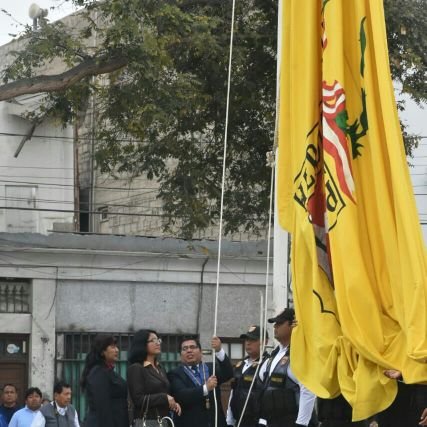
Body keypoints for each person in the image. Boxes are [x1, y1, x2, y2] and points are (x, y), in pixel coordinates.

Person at [258, 308, 317, 427]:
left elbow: (308, 390)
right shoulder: (273, 356)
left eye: (279, 323)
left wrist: (301, 423)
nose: (275, 326)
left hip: (294, 421)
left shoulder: (300, 354)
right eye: (274, 323)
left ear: (293, 325)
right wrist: (262, 420)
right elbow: (264, 389)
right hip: (273, 422)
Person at [168, 336, 234, 427]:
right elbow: (182, 395)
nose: (189, 350)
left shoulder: (212, 368)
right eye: (185, 348)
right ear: (180, 355)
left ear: (201, 352)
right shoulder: (175, 374)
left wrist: (219, 351)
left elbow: (228, 373)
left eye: (193, 347)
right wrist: (206, 388)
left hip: (216, 423)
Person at [127, 329, 181, 425]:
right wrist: (164, 398)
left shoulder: (160, 368)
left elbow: (164, 393)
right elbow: (138, 399)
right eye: (153, 340)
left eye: (158, 340)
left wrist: (172, 403)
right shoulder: (136, 368)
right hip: (147, 421)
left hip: (163, 420)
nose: (158, 343)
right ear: (142, 344)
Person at [80, 334, 128, 427]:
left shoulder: (108, 371)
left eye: (116, 347)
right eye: (112, 347)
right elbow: (102, 407)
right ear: (102, 351)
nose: (117, 350)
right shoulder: (98, 372)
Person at [226, 325, 269, 427]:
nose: (248, 343)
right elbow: (233, 392)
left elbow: (268, 396)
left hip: (258, 422)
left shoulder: (267, 364)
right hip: (239, 421)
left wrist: (263, 422)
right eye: (246, 339)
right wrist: (229, 420)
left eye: (253, 339)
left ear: (265, 342)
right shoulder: (240, 365)